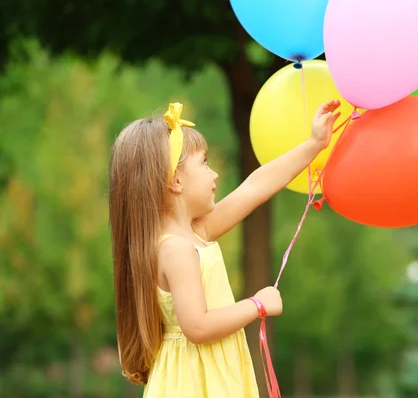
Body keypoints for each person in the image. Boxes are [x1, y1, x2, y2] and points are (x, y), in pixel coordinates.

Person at [108, 100, 341, 397]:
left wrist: (314, 145)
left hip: (209, 371)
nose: (214, 174)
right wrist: (256, 304)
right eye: (204, 163)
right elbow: (198, 326)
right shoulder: (176, 249)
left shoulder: (195, 232)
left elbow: (255, 187)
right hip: (195, 381)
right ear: (176, 181)